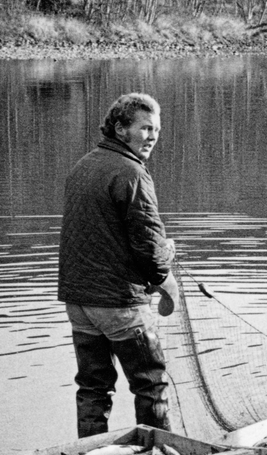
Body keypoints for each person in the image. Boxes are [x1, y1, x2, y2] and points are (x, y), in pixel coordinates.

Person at [58, 91, 179, 437]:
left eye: (156, 129)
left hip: (78, 302)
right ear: (120, 128)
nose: (152, 136)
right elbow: (150, 249)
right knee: (150, 383)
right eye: (144, 128)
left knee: (93, 388)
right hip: (118, 304)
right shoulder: (132, 173)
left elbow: (100, 235)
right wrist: (164, 263)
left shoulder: (83, 166)